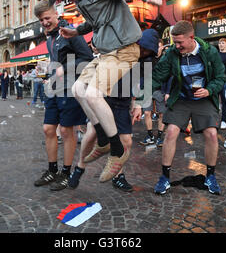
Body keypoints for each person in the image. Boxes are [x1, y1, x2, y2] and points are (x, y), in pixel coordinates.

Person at [42, 0, 162, 182]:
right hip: (107, 53)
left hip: (123, 50)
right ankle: (105, 141)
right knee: (79, 88)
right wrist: (77, 30)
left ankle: (117, 151)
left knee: (92, 94)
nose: (59, 1)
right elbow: (96, 21)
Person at [68, 29, 159, 191]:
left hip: (122, 102)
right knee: (91, 135)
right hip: (103, 98)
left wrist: (138, 104)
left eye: (147, 51)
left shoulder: (147, 60)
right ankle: (80, 167)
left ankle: (118, 176)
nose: (142, 52)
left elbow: (143, 82)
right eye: (142, 48)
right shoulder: (121, 50)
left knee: (126, 141)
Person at [151, 21, 226, 195]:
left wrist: (209, 90)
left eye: (180, 42)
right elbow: (158, 76)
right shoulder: (172, 53)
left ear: (191, 38)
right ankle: (164, 177)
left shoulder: (210, 51)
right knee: (170, 132)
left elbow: (221, 77)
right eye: (174, 42)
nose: (176, 46)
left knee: (212, 134)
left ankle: (211, 176)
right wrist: (139, 98)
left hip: (204, 98)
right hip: (181, 99)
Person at [33, 1, 93, 191]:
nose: (44, 22)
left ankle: (66, 174)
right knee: (48, 129)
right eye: (41, 19)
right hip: (53, 88)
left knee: (67, 131)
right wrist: (45, 70)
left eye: (47, 18)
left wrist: (64, 70)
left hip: (70, 88)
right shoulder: (50, 37)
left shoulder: (70, 31)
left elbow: (87, 58)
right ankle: (52, 170)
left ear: (56, 14)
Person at [218, 38, 226, 129]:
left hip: (224, 80)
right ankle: (213, 120)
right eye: (219, 43)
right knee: (213, 101)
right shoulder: (215, 55)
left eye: (223, 43)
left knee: (224, 101)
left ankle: (224, 120)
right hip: (215, 80)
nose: (221, 44)